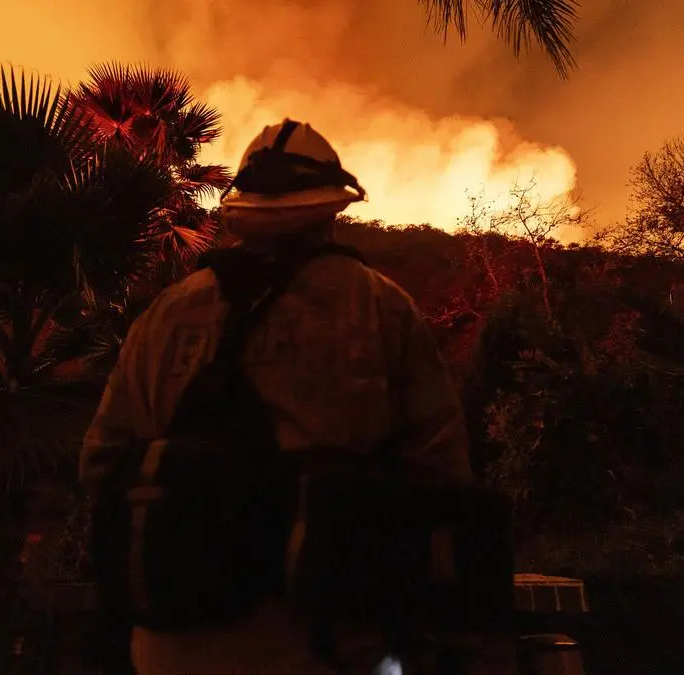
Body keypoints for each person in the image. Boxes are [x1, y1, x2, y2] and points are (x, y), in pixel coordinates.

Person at [80, 118, 473, 675]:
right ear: (332, 211)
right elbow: (442, 473)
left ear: (243, 212)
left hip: (167, 646)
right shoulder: (378, 307)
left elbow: (101, 462)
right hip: (322, 645)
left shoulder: (165, 313)